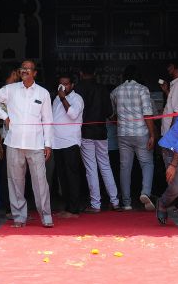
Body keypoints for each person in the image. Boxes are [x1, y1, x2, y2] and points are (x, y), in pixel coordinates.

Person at [0, 59, 55, 228]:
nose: (24, 71)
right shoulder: (10, 89)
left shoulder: (43, 93)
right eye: (22, 68)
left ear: (35, 73)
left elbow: (48, 120)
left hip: (36, 144)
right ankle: (19, 217)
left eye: (28, 69)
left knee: (40, 182)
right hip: (14, 143)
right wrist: (5, 117)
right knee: (15, 182)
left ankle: (46, 217)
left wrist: (48, 144)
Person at [110, 65, 156, 211]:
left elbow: (113, 114)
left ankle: (126, 203)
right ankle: (145, 192)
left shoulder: (116, 91)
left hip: (123, 134)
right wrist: (152, 134)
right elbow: (147, 114)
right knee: (147, 164)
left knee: (125, 167)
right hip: (141, 132)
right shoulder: (142, 89)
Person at [76, 63, 119, 213]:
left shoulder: (77, 89)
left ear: (81, 73)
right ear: (95, 73)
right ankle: (115, 201)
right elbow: (109, 112)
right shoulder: (102, 89)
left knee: (91, 168)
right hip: (101, 132)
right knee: (105, 166)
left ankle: (96, 204)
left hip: (85, 133)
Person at [48, 72, 84, 218]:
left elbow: (73, 114)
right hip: (57, 143)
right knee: (62, 177)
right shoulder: (56, 98)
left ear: (72, 85)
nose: (62, 87)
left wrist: (63, 98)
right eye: (60, 84)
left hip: (70, 142)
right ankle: (68, 207)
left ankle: (74, 210)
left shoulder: (77, 98)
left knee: (72, 176)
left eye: (66, 84)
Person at [0, 64, 19, 211]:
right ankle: (10, 207)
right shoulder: (7, 91)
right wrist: (6, 117)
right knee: (11, 175)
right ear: (13, 73)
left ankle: (11, 206)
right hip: (9, 137)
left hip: (10, 137)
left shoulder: (13, 89)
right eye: (18, 72)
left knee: (12, 174)